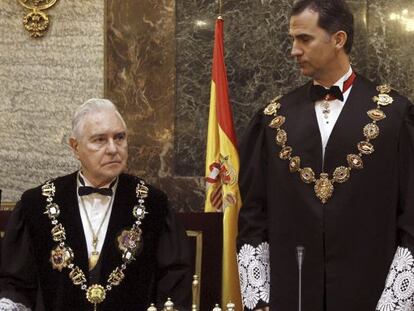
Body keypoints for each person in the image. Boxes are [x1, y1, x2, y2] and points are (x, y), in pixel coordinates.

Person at [236, 0, 414, 310]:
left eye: (304, 38)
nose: (294, 50)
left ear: (338, 39)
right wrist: (260, 298)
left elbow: (412, 216)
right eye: (292, 39)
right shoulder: (272, 119)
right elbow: (253, 216)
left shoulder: (396, 116)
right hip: (293, 295)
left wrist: (395, 302)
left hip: (372, 293)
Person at [0, 98, 192, 310]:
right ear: (75, 147)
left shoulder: (154, 205)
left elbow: (174, 286)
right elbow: (14, 285)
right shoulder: (36, 204)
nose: (113, 149)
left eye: (119, 138)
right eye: (99, 140)